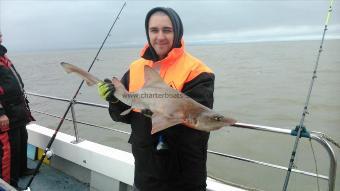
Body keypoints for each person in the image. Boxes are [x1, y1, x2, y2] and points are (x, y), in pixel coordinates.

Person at [98, 7, 214, 191]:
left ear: (177, 32)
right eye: (154, 30)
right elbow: (122, 116)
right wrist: (114, 99)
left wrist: (157, 112)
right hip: (145, 174)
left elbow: (199, 125)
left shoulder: (197, 71)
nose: (160, 36)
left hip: (184, 177)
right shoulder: (136, 68)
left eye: (167, 30)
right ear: (148, 33)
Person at [0, 32, 35, 188]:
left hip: (18, 109)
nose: (1, 35)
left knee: (22, 139)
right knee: (10, 150)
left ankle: (22, 170)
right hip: (6, 112)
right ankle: (10, 183)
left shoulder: (3, 56)